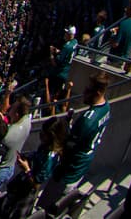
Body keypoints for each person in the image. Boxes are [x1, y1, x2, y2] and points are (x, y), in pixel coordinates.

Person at [36, 73, 111, 212]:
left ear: (98, 92)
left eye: (88, 90)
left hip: (69, 170)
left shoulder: (87, 121)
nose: (84, 93)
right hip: (82, 165)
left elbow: (67, 147)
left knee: (45, 208)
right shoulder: (106, 108)